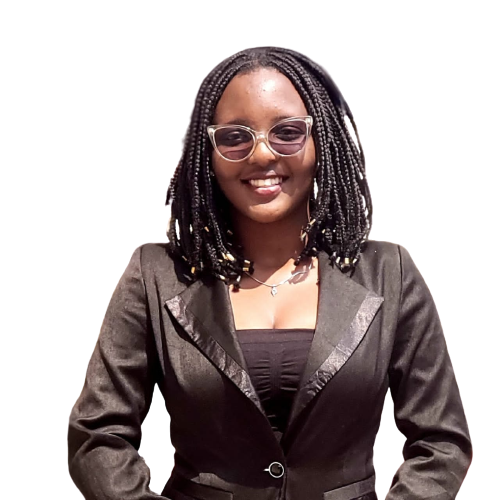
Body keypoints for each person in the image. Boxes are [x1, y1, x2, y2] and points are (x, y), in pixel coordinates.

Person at [67, 46, 473, 500]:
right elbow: (97, 435)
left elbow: (441, 442)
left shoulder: (389, 272)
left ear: (322, 142)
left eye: (287, 132)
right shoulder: (155, 274)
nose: (261, 154)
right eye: (235, 137)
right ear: (208, 153)